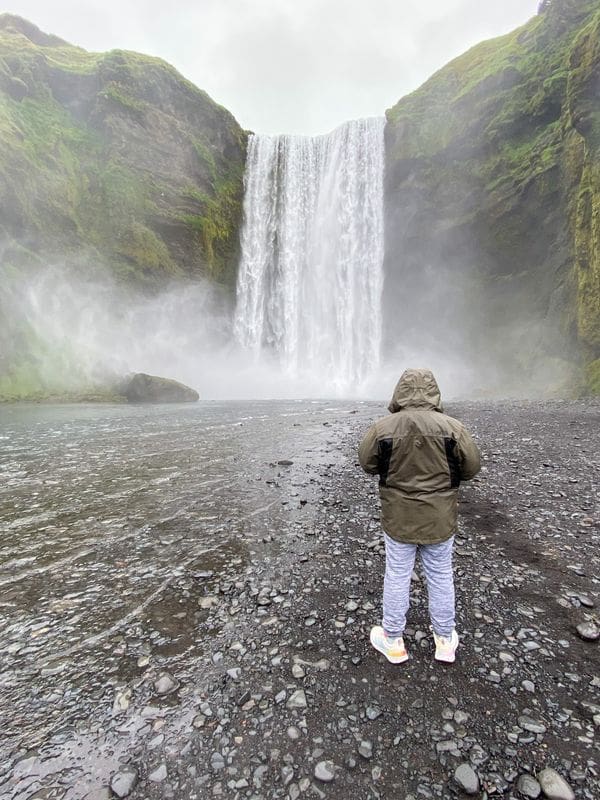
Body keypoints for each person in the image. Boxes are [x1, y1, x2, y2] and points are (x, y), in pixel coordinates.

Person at [358, 368, 480, 664]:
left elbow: (367, 463)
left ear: (400, 391)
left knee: (397, 575)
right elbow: (472, 467)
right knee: (440, 576)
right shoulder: (453, 428)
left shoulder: (383, 427)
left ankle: (393, 641)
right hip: (440, 518)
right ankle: (445, 641)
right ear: (433, 392)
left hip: (398, 518)